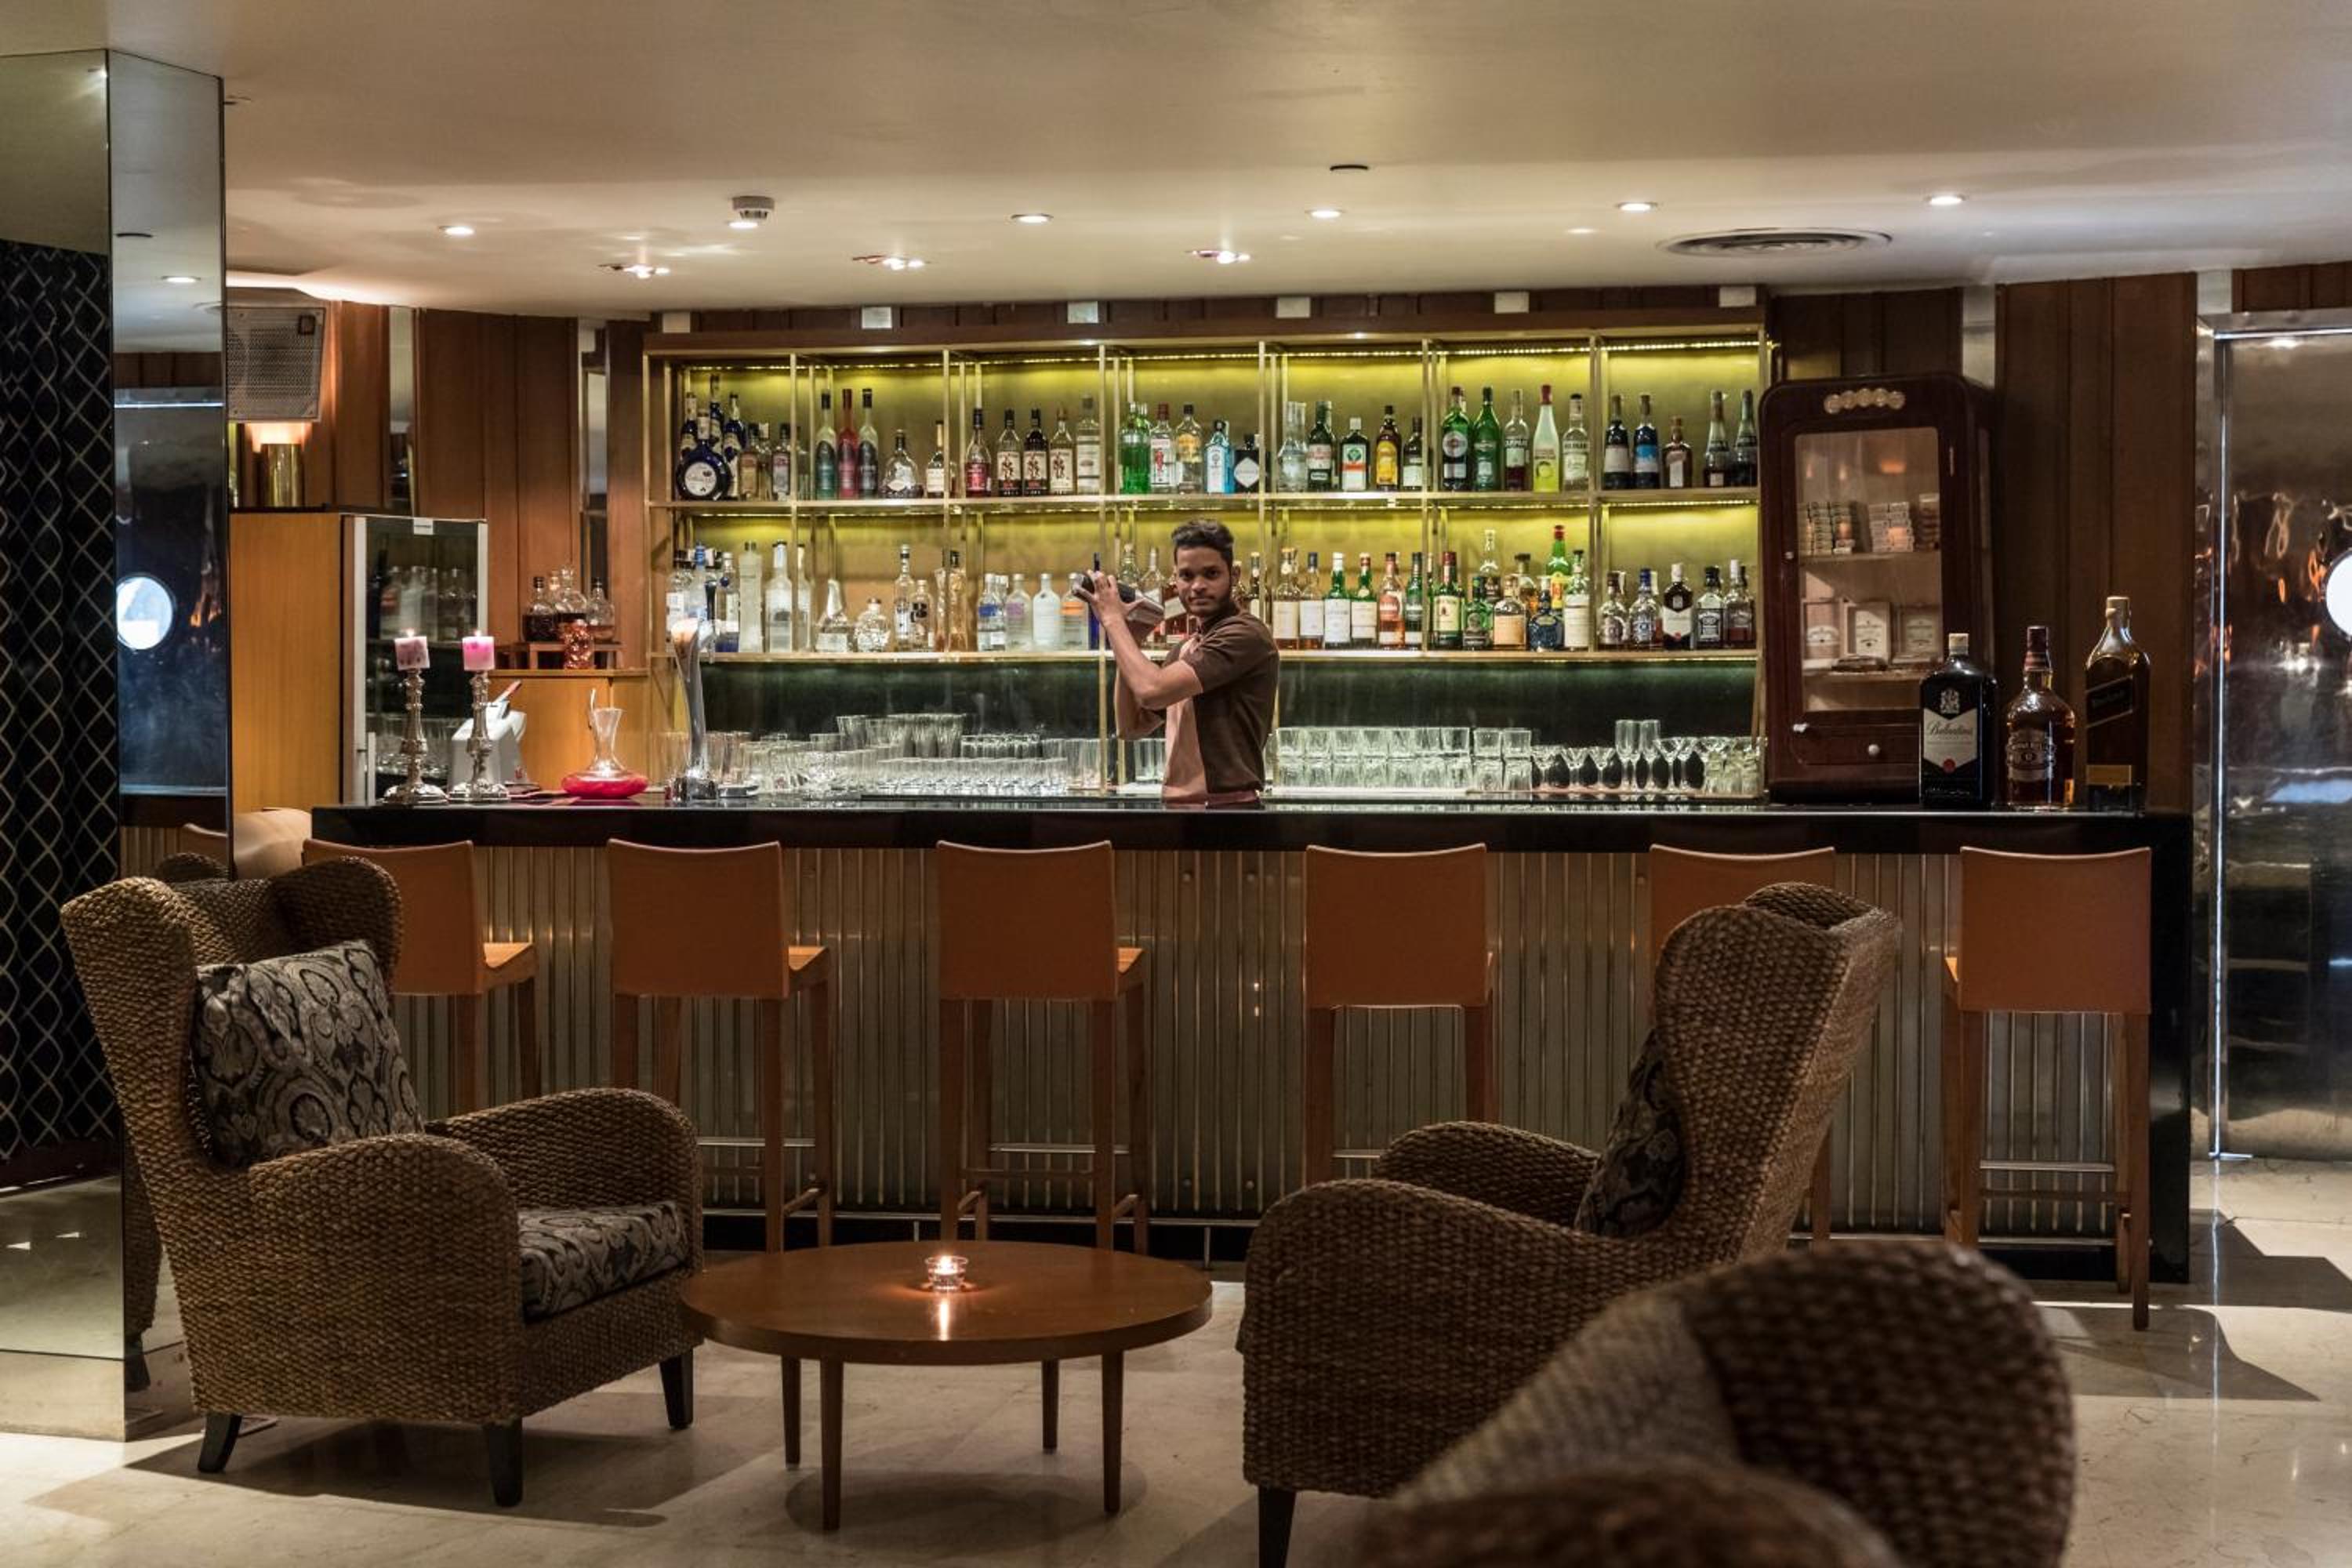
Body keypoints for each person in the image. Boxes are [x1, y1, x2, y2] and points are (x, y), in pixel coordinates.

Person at [1080, 518, 1278, 806]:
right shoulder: (1187, 647)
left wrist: (1113, 621)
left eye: (1211, 574)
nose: (1197, 586)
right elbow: (1131, 727)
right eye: (1187, 575)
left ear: (1234, 575)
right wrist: (1130, 639)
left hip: (1227, 809)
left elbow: (1152, 690)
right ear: (1175, 579)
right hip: (1180, 807)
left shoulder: (1244, 634)